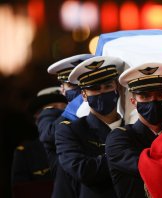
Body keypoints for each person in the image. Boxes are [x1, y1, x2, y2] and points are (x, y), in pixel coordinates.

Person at [55, 56, 125, 198]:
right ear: (84, 95)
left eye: (107, 87)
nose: (101, 92)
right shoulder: (70, 131)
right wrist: (123, 155)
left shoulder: (130, 128)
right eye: (94, 89)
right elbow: (83, 170)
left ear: (116, 88)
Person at [105, 62, 162, 198]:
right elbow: (149, 168)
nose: (153, 101)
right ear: (134, 102)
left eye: (159, 95)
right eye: (145, 97)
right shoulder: (119, 138)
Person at [38, 54, 94, 198]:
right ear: (62, 89)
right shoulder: (51, 115)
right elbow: (49, 134)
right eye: (73, 85)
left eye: (82, 83)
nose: (79, 89)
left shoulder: (102, 111)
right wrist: (76, 108)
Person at [12, 86, 67, 198]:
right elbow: (21, 191)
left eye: (62, 109)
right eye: (50, 110)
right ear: (37, 117)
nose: (56, 115)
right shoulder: (26, 153)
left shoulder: (83, 141)